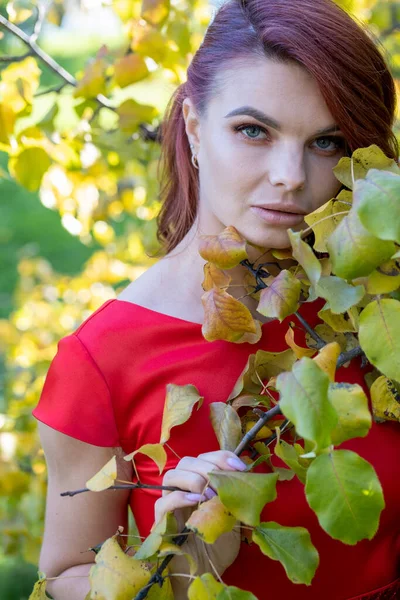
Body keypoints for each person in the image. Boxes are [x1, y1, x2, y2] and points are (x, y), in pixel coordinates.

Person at [32, 0, 400, 598]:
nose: (290, 175)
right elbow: (63, 578)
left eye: (327, 142)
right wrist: (174, 563)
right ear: (195, 128)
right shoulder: (103, 358)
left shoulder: (378, 305)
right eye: (253, 130)